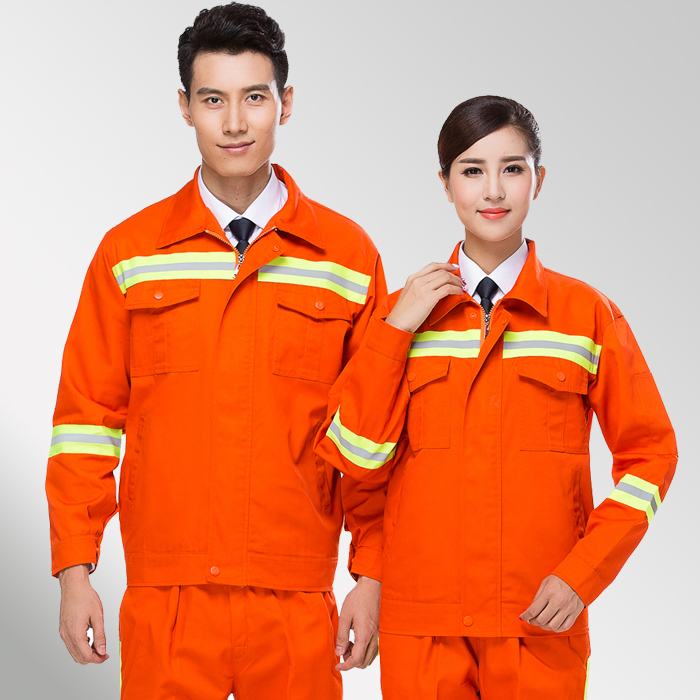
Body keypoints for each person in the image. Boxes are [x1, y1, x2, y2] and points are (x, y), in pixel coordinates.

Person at [46, 3, 385, 698]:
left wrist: (372, 574)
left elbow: (373, 434)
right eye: (212, 100)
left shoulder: (345, 256)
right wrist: (75, 571)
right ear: (185, 108)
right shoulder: (130, 252)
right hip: (167, 600)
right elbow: (85, 419)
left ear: (286, 103)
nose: (234, 123)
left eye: (254, 98)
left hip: (295, 598)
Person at [315, 95, 677, 699]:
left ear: (539, 179)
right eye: (472, 170)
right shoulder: (402, 313)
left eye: (512, 168)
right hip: (421, 624)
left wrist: (583, 574)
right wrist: (395, 331)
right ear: (445, 183)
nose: (493, 190)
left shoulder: (585, 315)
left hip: (538, 620)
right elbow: (357, 461)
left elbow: (651, 456)